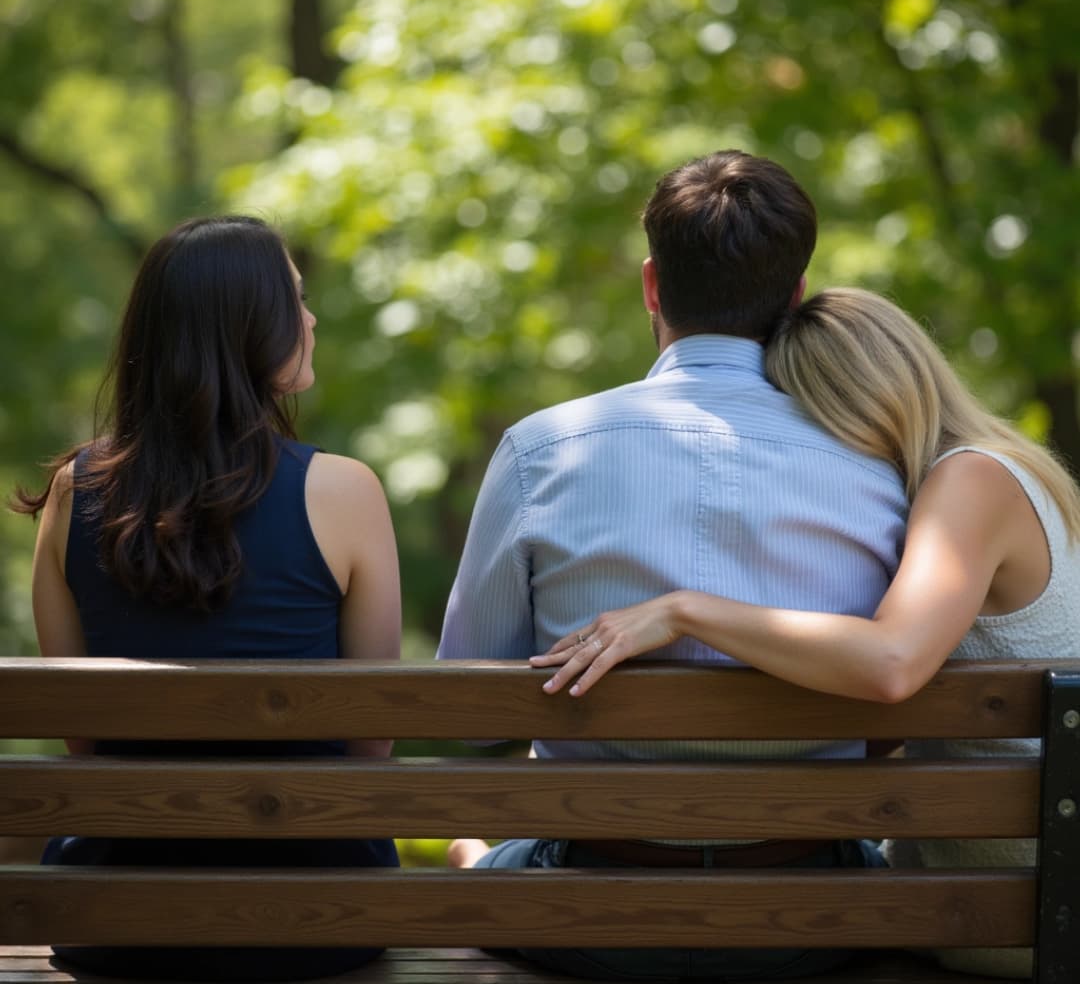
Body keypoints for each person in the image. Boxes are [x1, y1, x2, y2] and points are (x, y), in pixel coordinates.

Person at [438, 152, 910, 981]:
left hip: (591, 909)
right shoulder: (883, 470)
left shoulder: (541, 452)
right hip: (815, 917)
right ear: (794, 296)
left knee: (471, 855)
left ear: (653, 287)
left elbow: (473, 713)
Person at [535, 286, 1080, 979]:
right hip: (1007, 900)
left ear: (846, 406)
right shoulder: (1009, 472)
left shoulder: (969, 482)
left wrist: (684, 610)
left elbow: (891, 664)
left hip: (1005, 919)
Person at [14, 215, 402, 982]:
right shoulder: (345, 492)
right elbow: (373, 745)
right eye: (294, 299)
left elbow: (80, 740)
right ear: (247, 327)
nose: (312, 317)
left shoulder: (73, 494)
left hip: (113, 915)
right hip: (317, 918)